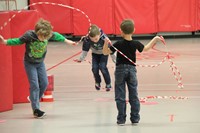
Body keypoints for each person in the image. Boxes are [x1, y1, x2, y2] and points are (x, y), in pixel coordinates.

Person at [0, 18, 76, 118]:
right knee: (34, 84)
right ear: (37, 32)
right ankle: (36, 109)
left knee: (44, 83)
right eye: (42, 37)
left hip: (40, 63)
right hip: (29, 63)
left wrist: (67, 41)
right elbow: (18, 41)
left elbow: (56, 35)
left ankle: (33, 99)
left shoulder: (47, 34)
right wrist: (5, 42)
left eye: (46, 37)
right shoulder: (29, 35)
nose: (44, 39)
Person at [103, 19, 162, 125]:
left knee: (120, 96)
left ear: (121, 31)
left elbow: (105, 52)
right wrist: (155, 39)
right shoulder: (136, 43)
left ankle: (121, 119)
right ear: (134, 30)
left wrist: (105, 43)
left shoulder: (118, 44)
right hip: (132, 71)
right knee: (133, 95)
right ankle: (135, 118)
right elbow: (146, 48)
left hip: (120, 70)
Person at [75, 24, 115, 91]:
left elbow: (111, 50)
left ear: (99, 34)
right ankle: (97, 82)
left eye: (96, 39)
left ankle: (108, 83)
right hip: (95, 54)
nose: (94, 41)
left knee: (103, 68)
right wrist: (80, 59)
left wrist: (115, 60)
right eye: (92, 40)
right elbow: (85, 51)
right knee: (94, 68)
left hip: (104, 54)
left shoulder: (104, 39)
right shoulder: (87, 40)